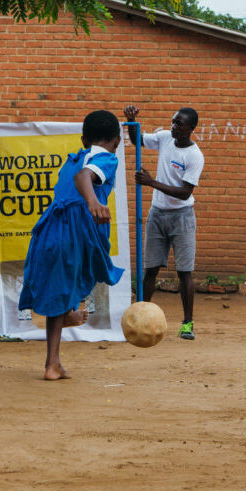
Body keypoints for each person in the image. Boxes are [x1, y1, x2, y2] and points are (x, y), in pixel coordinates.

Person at [18, 110, 125, 380]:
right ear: (117, 141)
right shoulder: (105, 157)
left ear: (83, 139)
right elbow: (83, 178)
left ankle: (52, 362)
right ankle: (64, 314)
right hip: (75, 232)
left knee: (62, 286)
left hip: (49, 231)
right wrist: (92, 202)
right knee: (86, 274)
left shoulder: (73, 158)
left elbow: (77, 176)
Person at [123, 104, 205, 341]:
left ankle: (187, 324)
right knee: (150, 270)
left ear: (191, 128)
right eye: (173, 121)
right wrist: (131, 121)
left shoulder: (194, 156)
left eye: (179, 123)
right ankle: (139, 318)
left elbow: (184, 193)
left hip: (182, 217)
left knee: (184, 272)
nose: (173, 126)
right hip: (157, 214)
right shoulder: (164, 138)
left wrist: (152, 183)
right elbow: (138, 140)